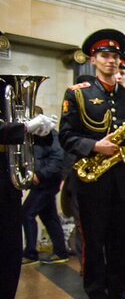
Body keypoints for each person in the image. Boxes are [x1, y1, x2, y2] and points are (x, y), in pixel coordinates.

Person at [58, 29, 125, 299]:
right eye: (105, 56)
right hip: (92, 179)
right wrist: (93, 145)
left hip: (124, 180)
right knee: (94, 242)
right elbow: (66, 135)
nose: (111, 61)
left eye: (115, 56)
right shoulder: (78, 93)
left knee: (121, 242)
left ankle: (120, 297)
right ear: (93, 59)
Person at [1, 82, 53, 299]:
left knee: (9, 250)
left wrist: (41, 130)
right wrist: (21, 127)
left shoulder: (3, 87)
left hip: (6, 183)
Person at [21, 106, 69, 265]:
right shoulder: (36, 136)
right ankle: (61, 252)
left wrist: (40, 174)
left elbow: (58, 158)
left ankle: (31, 253)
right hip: (43, 182)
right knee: (49, 217)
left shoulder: (50, 134)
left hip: (46, 182)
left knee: (26, 213)